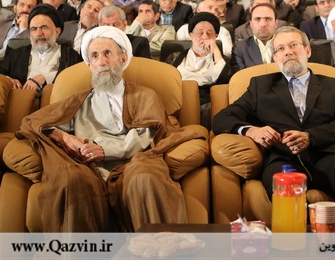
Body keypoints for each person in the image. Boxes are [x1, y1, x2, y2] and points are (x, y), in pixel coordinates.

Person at [14, 26, 199, 231]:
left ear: (122, 58)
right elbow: (34, 122)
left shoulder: (145, 95)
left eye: (107, 53)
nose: (101, 62)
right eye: (95, 56)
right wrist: (66, 138)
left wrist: (105, 149)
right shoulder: (78, 100)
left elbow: (148, 134)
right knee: (70, 181)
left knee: (145, 177)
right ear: (89, 65)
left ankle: (156, 244)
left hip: (134, 161)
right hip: (89, 167)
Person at [213, 26, 335, 230]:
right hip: (284, 158)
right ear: (275, 58)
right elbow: (222, 118)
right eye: (280, 48)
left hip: (330, 154)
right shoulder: (260, 86)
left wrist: (310, 137)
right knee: (282, 180)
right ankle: (294, 244)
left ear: (307, 50)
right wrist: (251, 130)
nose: (287, 52)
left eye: (293, 45)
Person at [1, 4, 82, 91]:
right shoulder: (16, 54)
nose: (39, 34)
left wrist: (45, 78)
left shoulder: (70, 55)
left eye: (44, 28)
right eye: (34, 29)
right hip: (18, 95)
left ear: (57, 31)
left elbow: (76, 82)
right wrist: (8, 80)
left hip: (51, 96)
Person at [173, 12, 230, 126]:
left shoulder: (221, 60)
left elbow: (225, 80)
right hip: (180, 99)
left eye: (209, 33)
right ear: (191, 35)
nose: (205, 37)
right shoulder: (176, 58)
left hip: (209, 103)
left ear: (216, 36)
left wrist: (215, 49)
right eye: (200, 33)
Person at [231, 3, 277, 72]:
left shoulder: (287, 45)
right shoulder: (240, 48)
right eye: (257, 19)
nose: (263, 24)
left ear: (276, 23)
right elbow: (240, 76)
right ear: (251, 24)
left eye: (268, 19)